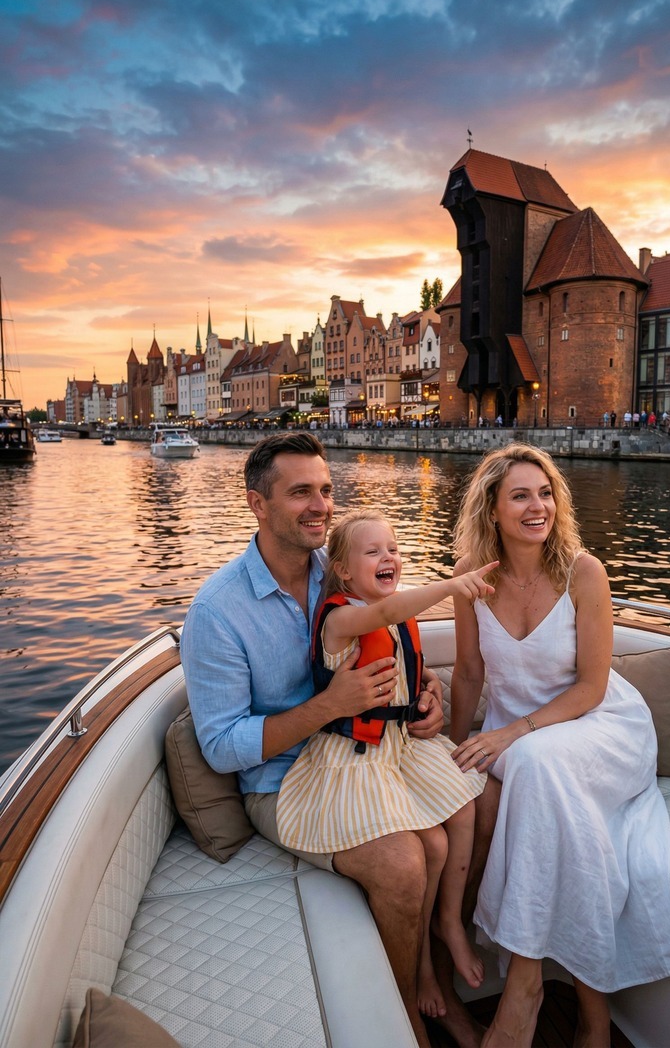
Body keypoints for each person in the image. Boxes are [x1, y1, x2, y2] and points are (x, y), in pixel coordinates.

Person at [181, 432, 447, 1046]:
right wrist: (329, 705)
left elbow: (396, 646)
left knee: (472, 813)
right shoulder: (218, 611)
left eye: (325, 490)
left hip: (369, 757)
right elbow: (222, 745)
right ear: (258, 504)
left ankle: (438, 979)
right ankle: (406, 1019)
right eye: (300, 492)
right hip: (282, 784)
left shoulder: (346, 570)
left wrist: (427, 695)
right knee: (406, 862)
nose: (319, 505)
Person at [449, 443, 670, 1047]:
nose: (539, 507)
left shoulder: (583, 572)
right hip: (524, 740)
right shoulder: (470, 584)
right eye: (521, 496)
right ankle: (593, 1018)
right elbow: (470, 673)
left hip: (603, 729)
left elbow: (592, 687)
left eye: (546, 492)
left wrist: (512, 733)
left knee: (532, 765)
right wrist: (452, 748)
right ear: (492, 511)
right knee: (539, 779)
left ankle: (524, 984)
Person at [276, 508, 492, 1017]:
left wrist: (426, 696)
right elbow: (379, 618)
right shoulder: (341, 617)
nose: (387, 557)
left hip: (398, 746)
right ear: (344, 571)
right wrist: (453, 584)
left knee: (464, 810)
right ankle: (417, 972)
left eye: (393, 549)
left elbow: (402, 669)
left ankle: (449, 926)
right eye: (372, 551)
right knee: (431, 845)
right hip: (352, 760)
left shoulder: (395, 614)